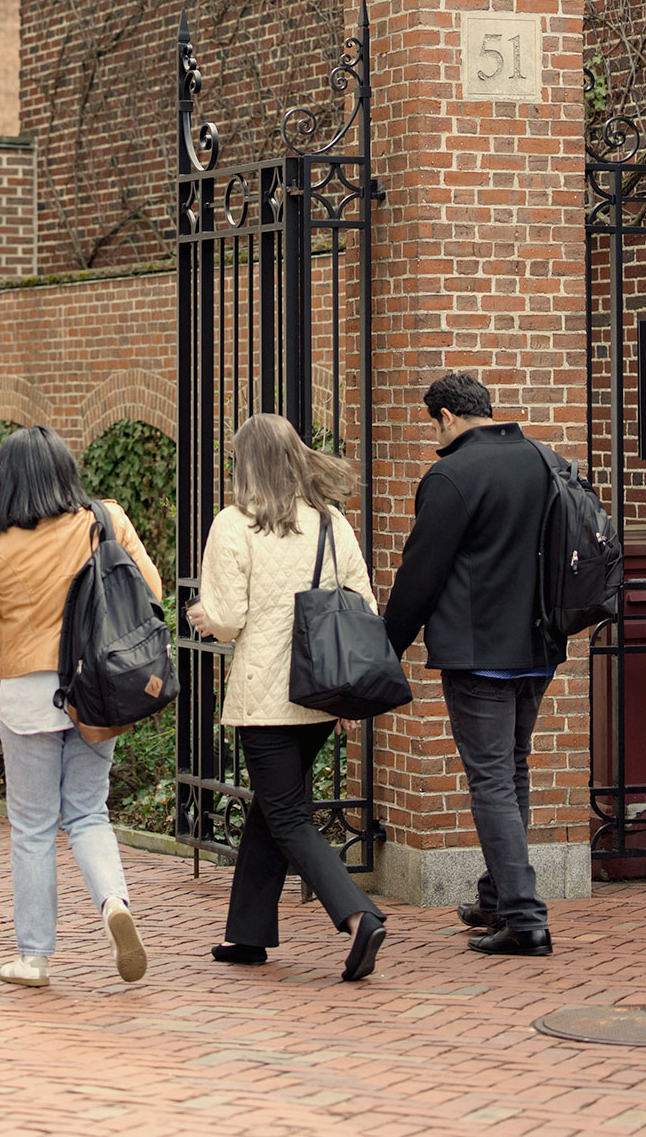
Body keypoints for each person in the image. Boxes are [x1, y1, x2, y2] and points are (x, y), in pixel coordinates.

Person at [0, 424, 161, 989]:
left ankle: (34, 958)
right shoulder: (106, 520)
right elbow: (153, 591)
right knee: (89, 812)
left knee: (32, 826)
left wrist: (23, 626)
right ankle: (113, 904)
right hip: (96, 691)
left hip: (27, 695)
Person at [187, 411, 389, 982]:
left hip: (267, 695)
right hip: (322, 693)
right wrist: (353, 700)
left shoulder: (233, 524)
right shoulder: (331, 523)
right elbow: (363, 607)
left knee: (287, 814)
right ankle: (247, 934)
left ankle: (357, 915)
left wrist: (204, 617)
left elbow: (227, 619)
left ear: (245, 464)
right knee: (271, 809)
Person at [382, 370, 566, 957]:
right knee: (511, 771)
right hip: (538, 646)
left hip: (480, 654)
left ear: (447, 417)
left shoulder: (452, 474)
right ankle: (496, 896)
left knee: (491, 778)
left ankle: (523, 918)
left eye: (434, 425)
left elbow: (419, 576)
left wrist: (384, 650)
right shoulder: (545, 460)